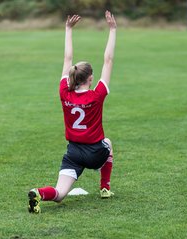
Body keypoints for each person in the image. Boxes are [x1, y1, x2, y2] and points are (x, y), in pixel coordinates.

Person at [28, 10, 117, 214]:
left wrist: (68, 29)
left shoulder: (64, 92)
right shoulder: (97, 95)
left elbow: (67, 58)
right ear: (90, 78)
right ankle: (105, 188)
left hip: (74, 152)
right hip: (95, 152)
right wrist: (112, 29)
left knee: (59, 194)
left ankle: (39, 192)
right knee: (109, 143)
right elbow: (109, 60)